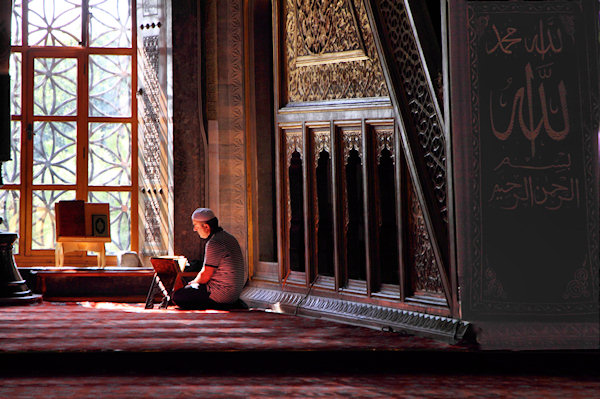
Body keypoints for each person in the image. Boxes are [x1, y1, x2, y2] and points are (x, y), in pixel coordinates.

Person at [172, 208, 247, 310]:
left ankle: (220, 304)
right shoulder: (229, 237)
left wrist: (192, 283)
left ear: (206, 227)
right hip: (233, 294)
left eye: (196, 226)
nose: (194, 229)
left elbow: (205, 274)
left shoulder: (214, 242)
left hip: (220, 294)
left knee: (178, 296)